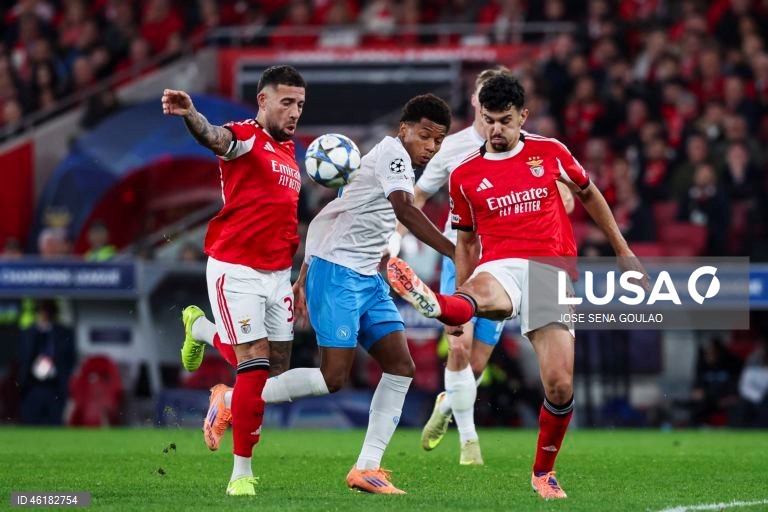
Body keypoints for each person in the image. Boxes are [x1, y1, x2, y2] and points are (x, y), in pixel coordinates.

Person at [387, 75, 646, 500]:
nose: (496, 130)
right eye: (489, 120)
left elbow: (589, 193)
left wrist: (622, 250)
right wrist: (462, 296)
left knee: (560, 385)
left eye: (505, 121)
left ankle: (543, 473)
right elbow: (466, 242)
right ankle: (446, 306)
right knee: (477, 296)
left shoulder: (551, 152)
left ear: (523, 116)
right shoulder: (465, 174)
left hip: (550, 271)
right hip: (500, 266)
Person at [188, 94, 456, 494]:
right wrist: (456, 252)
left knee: (401, 366)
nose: (431, 147)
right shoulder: (394, 155)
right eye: (425, 136)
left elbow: (333, 214)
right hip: (338, 277)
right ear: (404, 130)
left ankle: (367, 467)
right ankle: (230, 399)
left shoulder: (396, 164)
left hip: (366, 277)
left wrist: (304, 272)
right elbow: (403, 210)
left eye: (438, 141)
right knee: (334, 377)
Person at [387, 67, 574, 466]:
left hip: (511, 261)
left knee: (475, 362)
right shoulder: (451, 149)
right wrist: (391, 242)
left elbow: (566, 197)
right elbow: (415, 198)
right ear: (474, 100)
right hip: (462, 256)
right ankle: (469, 444)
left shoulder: (534, 150)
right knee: (458, 344)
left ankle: (447, 405)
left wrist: (559, 204)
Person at [161, 64, 307, 496]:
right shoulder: (244, 137)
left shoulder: (290, 151)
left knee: (274, 370)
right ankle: (241, 474)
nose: (295, 111)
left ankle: (201, 329)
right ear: (263, 101)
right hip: (236, 269)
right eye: (287, 102)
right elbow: (214, 137)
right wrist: (192, 115)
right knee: (255, 365)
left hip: (277, 275)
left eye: (300, 104)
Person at [18, 300, 76, 425]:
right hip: (32, 386)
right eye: (40, 311)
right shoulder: (28, 332)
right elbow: (22, 358)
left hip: (55, 386)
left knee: (55, 422)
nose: (43, 315)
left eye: (46, 311)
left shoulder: (63, 332)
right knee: (31, 422)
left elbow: (70, 358)